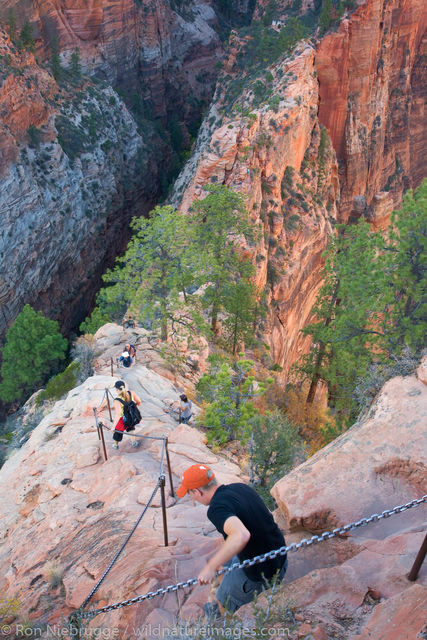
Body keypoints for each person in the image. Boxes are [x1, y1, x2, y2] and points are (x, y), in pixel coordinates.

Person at [176, 464, 287, 617]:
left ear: (197, 491)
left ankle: (226, 618)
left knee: (223, 596)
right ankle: (222, 593)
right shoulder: (241, 488)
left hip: (262, 573)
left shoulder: (216, 509)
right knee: (224, 564)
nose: (192, 498)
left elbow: (241, 535)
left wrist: (210, 567)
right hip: (281, 557)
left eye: (190, 494)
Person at [111, 380, 141, 450]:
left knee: (118, 430)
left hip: (123, 419)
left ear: (117, 389)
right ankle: (133, 442)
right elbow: (139, 401)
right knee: (130, 427)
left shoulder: (117, 400)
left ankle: (115, 445)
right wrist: (136, 407)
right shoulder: (131, 393)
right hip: (131, 416)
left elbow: (118, 414)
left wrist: (113, 426)